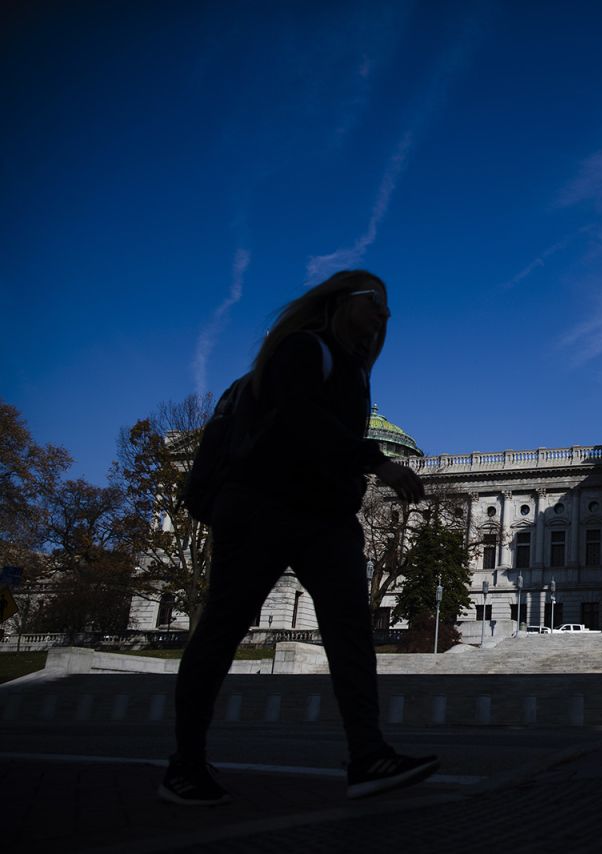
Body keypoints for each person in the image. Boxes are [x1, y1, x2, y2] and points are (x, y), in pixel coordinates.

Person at [159, 270, 437, 806]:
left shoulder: (353, 370)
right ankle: (185, 763)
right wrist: (375, 461)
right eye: (374, 302)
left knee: (352, 633)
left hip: (324, 513)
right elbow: (297, 419)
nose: (385, 315)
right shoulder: (303, 348)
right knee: (222, 629)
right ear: (339, 302)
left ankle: (368, 755)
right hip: (264, 505)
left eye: (387, 308)